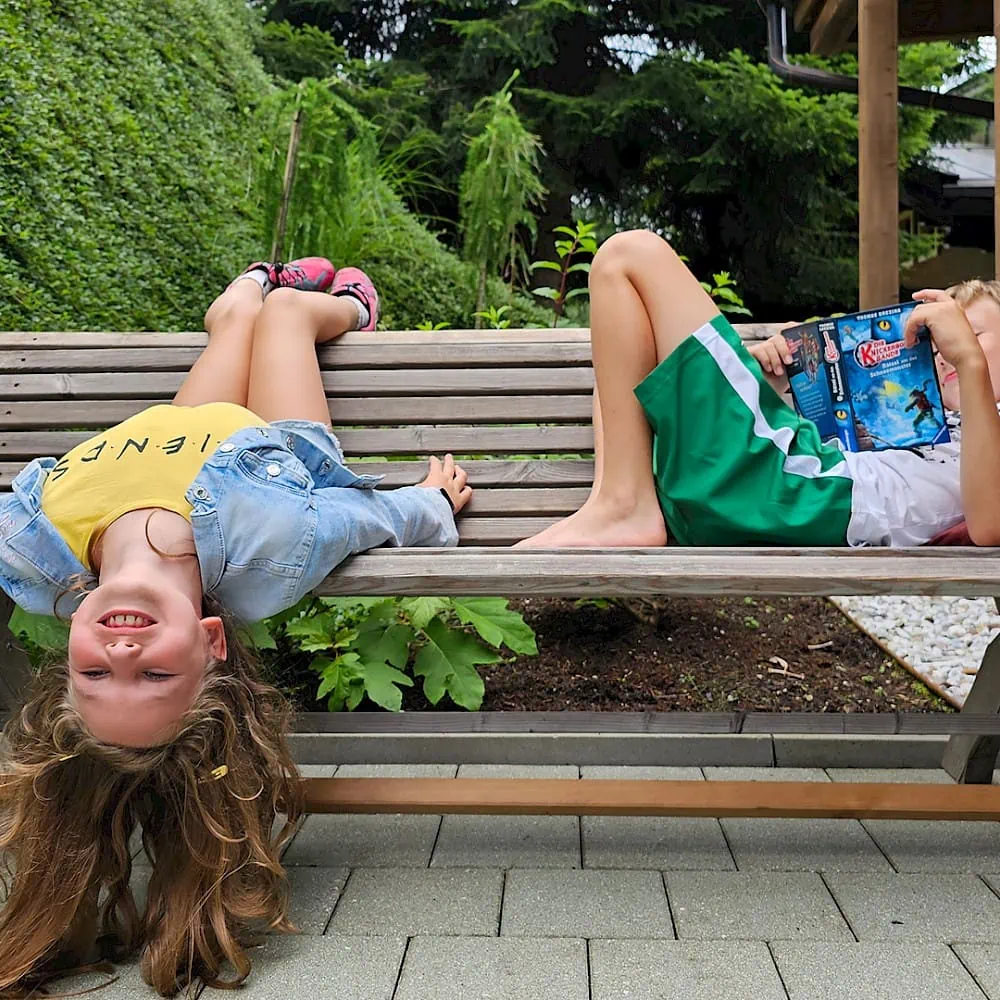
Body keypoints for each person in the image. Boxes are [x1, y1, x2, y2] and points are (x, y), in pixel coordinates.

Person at [0, 257, 471, 996]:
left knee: (235, 315)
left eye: (97, 672)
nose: (123, 649)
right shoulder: (272, 548)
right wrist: (434, 504)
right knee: (286, 315)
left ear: (71, 655)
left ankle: (249, 283)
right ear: (210, 643)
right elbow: (367, 519)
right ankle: (349, 306)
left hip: (166, 435)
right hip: (269, 454)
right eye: (153, 674)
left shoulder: (31, 559)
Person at [518, 231, 1000, 550]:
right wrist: (770, 380)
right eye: (940, 344)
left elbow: (988, 524)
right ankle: (622, 501)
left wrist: (971, 364)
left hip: (799, 493)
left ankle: (624, 507)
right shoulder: (934, 422)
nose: (947, 354)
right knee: (624, 383)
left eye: (970, 335)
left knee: (630, 255)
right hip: (783, 484)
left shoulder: (988, 426)